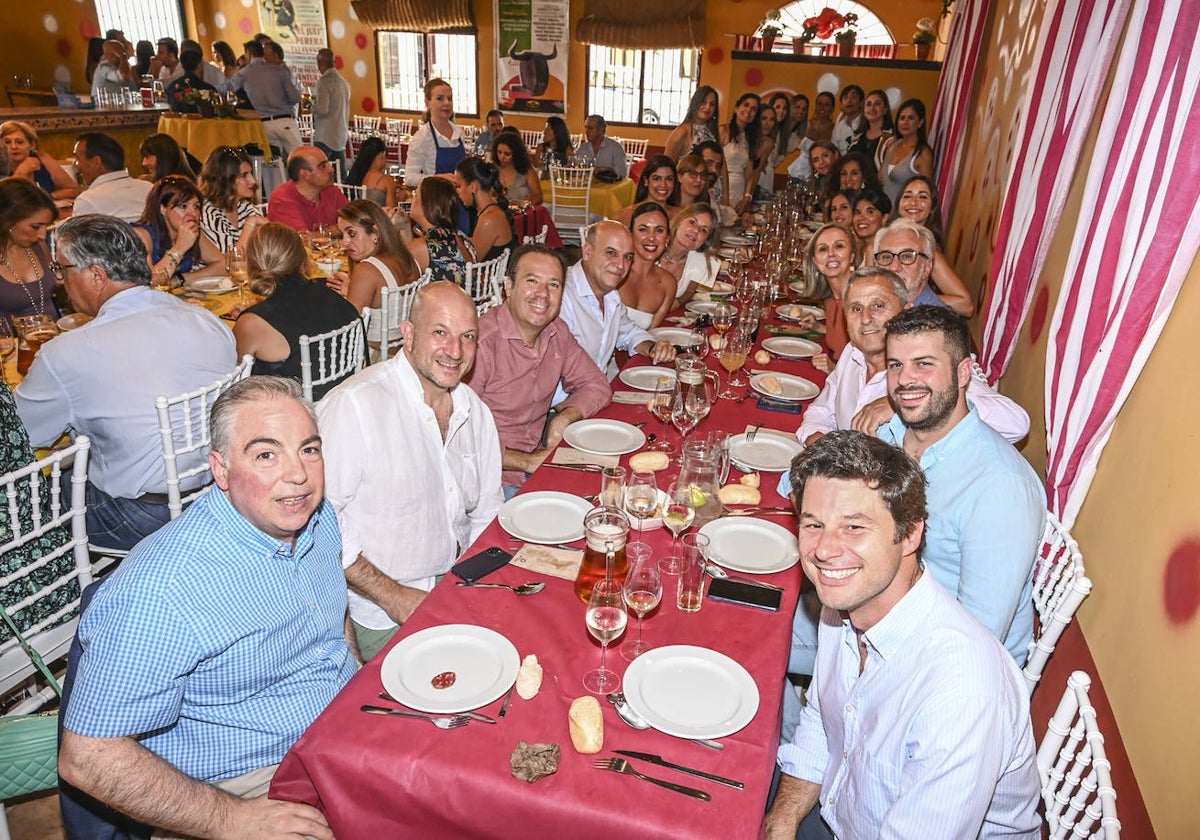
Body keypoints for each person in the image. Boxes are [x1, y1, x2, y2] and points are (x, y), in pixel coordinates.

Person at [58, 376, 354, 839]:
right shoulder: (163, 589)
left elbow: (332, 620)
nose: (298, 473)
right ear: (220, 469)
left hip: (341, 735)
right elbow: (88, 757)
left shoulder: (315, 516)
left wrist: (353, 675)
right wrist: (233, 819)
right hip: (249, 784)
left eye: (309, 450)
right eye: (265, 454)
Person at [764, 430, 1040, 840]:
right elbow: (824, 718)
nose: (825, 549)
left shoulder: (960, 694)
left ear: (910, 534)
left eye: (854, 527)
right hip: (842, 812)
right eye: (814, 524)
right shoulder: (844, 600)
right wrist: (781, 823)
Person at [14, 215, 236, 550]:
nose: (59, 281)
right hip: (220, 494)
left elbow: (23, 435)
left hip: (141, 515)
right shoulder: (207, 320)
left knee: (29, 504)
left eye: (62, 269)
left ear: (96, 276)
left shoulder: (68, 353)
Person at [318, 282, 503, 659]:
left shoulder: (473, 409)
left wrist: (483, 585)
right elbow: (320, 523)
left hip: (455, 580)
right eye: (440, 333)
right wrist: (394, 596)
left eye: (467, 336)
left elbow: (486, 512)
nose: (455, 351)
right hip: (380, 606)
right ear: (408, 333)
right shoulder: (356, 406)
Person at [877, 305, 1045, 665]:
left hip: (939, 661)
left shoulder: (999, 488)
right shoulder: (890, 436)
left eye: (924, 364)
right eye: (895, 365)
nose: (905, 380)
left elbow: (977, 638)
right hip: (878, 609)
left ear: (964, 371)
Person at [794, 266, 1030, 448]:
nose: (866, 318)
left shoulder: (929, 368)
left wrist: (903, 402)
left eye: (878, 305)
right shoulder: (852, 353)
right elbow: (821, 411)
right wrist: (819, 445)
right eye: (856, 308)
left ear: (906, 311)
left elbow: (1016, 425)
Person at [468, 244, 612, 494]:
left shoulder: (556, 331)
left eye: (553, 285)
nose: (543, 294)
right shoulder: (480, 345)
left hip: (537, 464)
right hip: (488, 480)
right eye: (532, 281)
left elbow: (597, 384)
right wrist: (526, 461)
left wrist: (564, 417)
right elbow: (455, 436)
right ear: (509, 287)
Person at [234, 223, 362, 399]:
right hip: (345, 401)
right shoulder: (330, 295)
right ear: (302, 257)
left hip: (291, 415)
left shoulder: (252, 323)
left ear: (251, 262)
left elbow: (236, 377)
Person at [558, 220, 675, 381]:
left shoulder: (610, 294)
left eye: (627, 257)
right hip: (565, 401)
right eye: (611, 253)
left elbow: (627, 331)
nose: (620, 265)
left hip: (594, 392)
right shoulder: (561, 297)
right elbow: (553, 373)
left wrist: (653, 347)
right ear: (587, 252)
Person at [328, 199, 421, 355]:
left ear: (375, 233)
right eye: (342, 234)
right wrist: (353, 290)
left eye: (352, 233)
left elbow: (346, 329)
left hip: (375, 357)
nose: (345, 242)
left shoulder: (367, 270)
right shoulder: (406, 257)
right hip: (406, 352)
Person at [133, 176, 226, 283]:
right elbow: (149, 283)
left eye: (196, 207)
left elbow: (223, 266)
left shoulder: (191, 232)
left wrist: (180, 279)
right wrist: (180, 248)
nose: (193, 213)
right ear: (162, 208)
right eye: (183, 206)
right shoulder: (142, 236)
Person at [874, 217, 973, 315]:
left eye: (907, 256)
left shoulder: (934, 323)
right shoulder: (875, 311)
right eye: (886, 257)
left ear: (927, 267)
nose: (894, 267)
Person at [221, 40, 301, 156]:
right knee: (300, 158)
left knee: (274, 163)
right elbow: (295, 97)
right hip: (285, 121)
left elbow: (225, 89)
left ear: (248, 53)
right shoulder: (278, 69)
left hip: (264, 126)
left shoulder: (244, 73)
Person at [0, 178, 59, 331]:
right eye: (35, 226)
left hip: (53, 337)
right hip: (12, 348)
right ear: (8, 220)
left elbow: (59, 286)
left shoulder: (37, 245)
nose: (42, 234)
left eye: (46, 226)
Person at [396, 177, 475, 283]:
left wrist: (386, 229)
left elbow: (398, 282)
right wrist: (405, 226)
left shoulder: (422, 247)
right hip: (464, 297)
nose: (411, 199)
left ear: (427, 204)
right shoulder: (460, 236)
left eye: (416, 195)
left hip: (441, 298)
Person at [804, 222, 861, 364]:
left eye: (839, 246)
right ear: (815, 261)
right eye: (823, 249)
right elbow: (843, 341)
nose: (831, 254)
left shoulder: (859, 302)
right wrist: (821, 328)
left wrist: (834, 370)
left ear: (852, 256)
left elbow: (867, 371)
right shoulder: (831, 301)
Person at [71, 132, 153, 222]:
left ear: (96, 162)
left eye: (77, 158)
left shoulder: (87, 201)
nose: (75, 165)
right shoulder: (150, 189)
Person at [199, 145, 266, 252]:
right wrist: (250, 224)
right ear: (225, 179)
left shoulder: (246, 208)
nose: (253, 181)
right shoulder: (206, 214)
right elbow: (229, 264)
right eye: (244, 175)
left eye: (251, 173)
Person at [619, 202, 675, 329]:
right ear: (630, 234)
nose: (651, 238)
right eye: (643, 229)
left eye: (659, 230)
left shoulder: (668, 284)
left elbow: (651, 334)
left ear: (667, 239)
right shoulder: (615, 271)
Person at [268, 145, 349, 231]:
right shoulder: (282, 199)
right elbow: (303, 240)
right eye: (323, 166)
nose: (331, 169)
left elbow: (355, 222)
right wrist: (338, 228)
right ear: (305, 174)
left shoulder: (330, 190)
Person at [405, 78, 466, 186]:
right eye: (440, 98)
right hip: (436, 199)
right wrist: (436, 179)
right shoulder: (422, 138)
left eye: (450, 98)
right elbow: (410, 178)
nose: (447, 103)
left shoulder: (459, 133)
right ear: (427, 103)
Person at [455, 157, 516, 263]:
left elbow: (472, 263)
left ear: (472, 187)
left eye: (459, 186)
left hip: (489, 278)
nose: (457, 192)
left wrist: (454, 236)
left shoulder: (490, 219)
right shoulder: (486, 212)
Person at [656, 202, 719, 304]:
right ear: (680, 220)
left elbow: (685, 297)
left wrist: (675, 304)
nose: (696, 230)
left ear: (706, 239)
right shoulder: (654, 246)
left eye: (704, 230)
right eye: (692, 222)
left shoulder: (700, 261)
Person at [1, 121, 79, 200]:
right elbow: (4, 199)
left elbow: (74, 190)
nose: (14, 147)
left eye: (19, 142)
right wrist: (21, 172)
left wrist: (48, 197)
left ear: (32, 145)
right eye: (7, 142)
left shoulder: (43, 159)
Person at [876, 98, 934, 204]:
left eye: (911, 118)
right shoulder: (892, 145)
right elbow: (880, 178)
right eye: (902, 118)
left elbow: (927, 193)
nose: (905, 122)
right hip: (885, 214)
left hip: (907, 216)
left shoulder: (922, 153)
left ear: (920, 122)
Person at [721, 93, 762, 219]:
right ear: (736, 108)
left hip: (739, 193)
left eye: (754, 109)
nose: (748, 110)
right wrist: (725, 197)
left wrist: (747, 197)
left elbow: (749, 173)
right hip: (721, 189)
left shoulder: (749, 138)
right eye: (746, 105)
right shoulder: (723, 130)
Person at [312, 48, 350, 168]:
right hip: (340, 134)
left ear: (320, 63)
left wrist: (311, 106)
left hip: (325, 136)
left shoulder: (324, 82)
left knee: (320, 172)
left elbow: (322, 109)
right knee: (340, 174)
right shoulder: (344, 82)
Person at [615, 155, 678, 227]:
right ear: (646, 181)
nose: (663, 185)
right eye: (656, 179)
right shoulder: (628, 215)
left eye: (669, 179)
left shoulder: (681, 215)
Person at [343, 136, 404, 209]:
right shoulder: (386, 181)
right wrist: (400, 199)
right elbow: (391, 212)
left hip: (359, 216)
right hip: (378, 218)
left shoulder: (358, 175)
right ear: (383, 154)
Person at [663, 85, 720, 161]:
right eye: (703, 102)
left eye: (712, 104)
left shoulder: (713, 131)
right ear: (695, 103)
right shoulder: (682, 131)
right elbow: (667, 164)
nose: (707, 107)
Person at [491, 131, 542, 205]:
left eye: (507, 154)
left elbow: (539, 197)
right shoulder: (492, 169)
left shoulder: (527, 170)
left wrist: (530, 201)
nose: (502, 157)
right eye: (499, 152)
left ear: (516, 154)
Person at [574, 114, 628, 179]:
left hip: (609, 187)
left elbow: (622, 172)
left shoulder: (615, 147)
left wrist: (607, 170)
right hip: (586, 186)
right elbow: (575, 167)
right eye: (586, 128)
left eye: (590, 128)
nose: (586, 132)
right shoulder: (583, 147)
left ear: (601, 130)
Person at [848, 88, 893, 160]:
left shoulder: (893, 137)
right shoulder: (857, 139)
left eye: (877, 104)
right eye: (868, 104)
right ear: (863, 110)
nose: (872, 108)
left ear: (885, 109)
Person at [850, 187, 890, 253]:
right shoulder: (855, 249)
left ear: (884, 218)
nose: (861, 218)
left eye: (870, 212)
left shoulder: (887, 250)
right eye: (857, 213)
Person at [830, 84, 864, 153]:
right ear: (841, 105)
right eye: (845, 98)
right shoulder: (838, 128)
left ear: (861, 103)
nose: (849, 100)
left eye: (853, 97)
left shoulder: (868, 123)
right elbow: (834, 153)